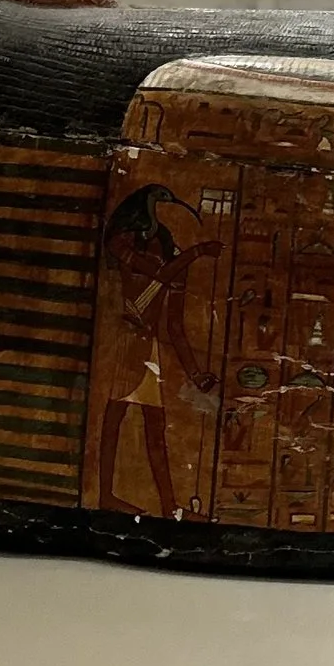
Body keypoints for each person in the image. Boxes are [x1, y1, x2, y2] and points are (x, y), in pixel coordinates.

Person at [93, 184, 220, 515]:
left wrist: (196, 374)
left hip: (150, 351)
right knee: (114, 422)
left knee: (155, 432)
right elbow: (153, 273)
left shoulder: (173, 260)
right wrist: (195, 253)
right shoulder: (123, 242)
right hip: (124, 340)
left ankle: (169, 509)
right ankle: (105, 495)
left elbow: (174, 326)